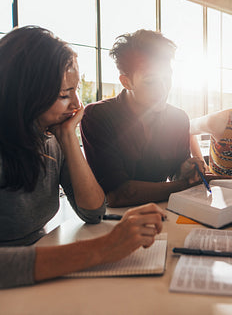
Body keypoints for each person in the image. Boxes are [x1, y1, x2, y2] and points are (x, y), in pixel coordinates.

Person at [0, 26, 165, 314]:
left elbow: (93, 211)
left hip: (28, 283)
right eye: (65, 94)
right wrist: (103, 249)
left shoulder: (51, 139)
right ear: (27, 94)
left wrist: (68, 138)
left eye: (76, 90)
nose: (78, 104)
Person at [81, 30, 205, 208]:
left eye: (167, 77)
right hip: (115, 222)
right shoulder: (98, 116)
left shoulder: (178, 118)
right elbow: (117, 194)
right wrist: (183, 185)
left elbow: (175, 174)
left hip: (164, 214)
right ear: (126, 82)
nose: (163, 89)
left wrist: (184, 171)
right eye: (151, 81)